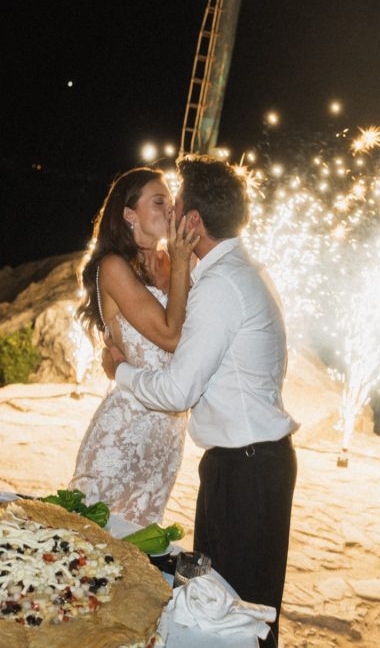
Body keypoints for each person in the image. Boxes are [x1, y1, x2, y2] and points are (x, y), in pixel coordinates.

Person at [103, 155, 298, 648]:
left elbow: (178, 391)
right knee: (225, 610)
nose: (169, 215)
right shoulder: (236, 271)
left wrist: (119, 371)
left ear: (192, 222)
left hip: (246, 470)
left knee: (236, 621)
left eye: (176, 207)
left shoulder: (220, 287)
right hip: (248, 464)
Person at [69, 167, 200, 525]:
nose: (170, 210)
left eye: (170, 203)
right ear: (129, 214)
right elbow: (171, 336)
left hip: (168, 435)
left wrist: (181, 262)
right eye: (158, 202)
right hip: (125, 428)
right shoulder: (113, 267)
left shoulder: (172, 263)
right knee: (90, 534)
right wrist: (182, 264)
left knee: (139, 542)